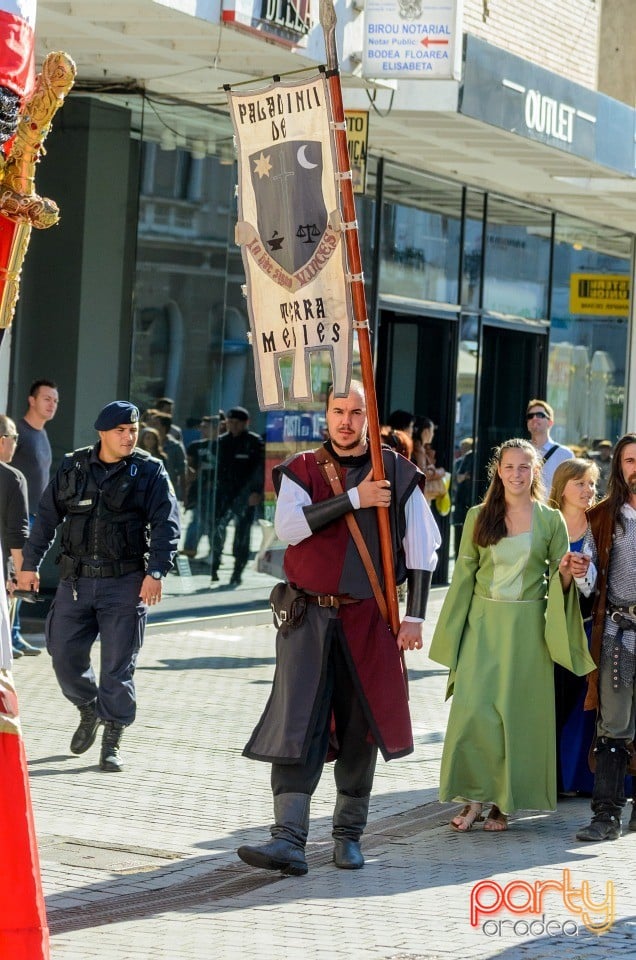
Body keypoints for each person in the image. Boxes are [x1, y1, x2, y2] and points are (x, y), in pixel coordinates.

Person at [237, 382, 441, 876]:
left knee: (359, 726)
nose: (346, 420)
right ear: (325, 416)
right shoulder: (302, 468)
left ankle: (348, 836)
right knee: (296, 724)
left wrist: (413, 618)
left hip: (367, 620)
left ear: (369, 418)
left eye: (355, 411)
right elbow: (288, 528)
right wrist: (355, 497)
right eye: (337, 411)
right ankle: (287, 839)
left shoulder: (396, 471)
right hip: (306, 619)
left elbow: (422, 550)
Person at [429, 438, 594, 833]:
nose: (517, 474)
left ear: (536, 471)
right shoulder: (477, 516)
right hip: (482, 629)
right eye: (509, 467)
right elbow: (463, 581)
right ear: (498, 471)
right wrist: (451, 640)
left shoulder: (550, 519)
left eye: (525, 467)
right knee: (474, 716)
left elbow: (559, 580)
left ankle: (503, 804)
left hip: (528, 633)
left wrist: (571, 571)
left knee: (516, 720)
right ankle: (471, 798)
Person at [17, 401, 180, 772]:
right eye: (121, 430)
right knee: (63, 656)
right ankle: (88, 708)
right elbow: (45, 518)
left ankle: (113, 738)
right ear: (102, 433)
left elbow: (167, 524)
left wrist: (156, 572)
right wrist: (29, 565)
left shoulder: (149, 471)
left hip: (125, 584)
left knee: (117, 668)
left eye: (133, 430)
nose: (128, 436)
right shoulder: (73, 466)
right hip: (75, 582)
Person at [576, 433, 636, 842]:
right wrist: (581, 572)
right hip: (617, 631)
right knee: (613, 725)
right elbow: (590, 583)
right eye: (630, 460)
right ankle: (607, 816)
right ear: (619, 467)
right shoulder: (601, 517)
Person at [548, 458, 599, 796]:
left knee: (584, 704)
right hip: (550, 628)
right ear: (562, 487)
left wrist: (583, 575)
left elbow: (604, 582)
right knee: (553, 702)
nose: (587, 490)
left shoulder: (601, 524)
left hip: (589, 624)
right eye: (580, 483)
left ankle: (578, 780)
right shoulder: (547, 523)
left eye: (591, 483)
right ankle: (550, 778)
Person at [10, 378, 59, 657]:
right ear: (32, 400)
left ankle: (14, 635)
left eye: (55, 401)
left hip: (35, 516)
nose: (52, 405)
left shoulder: (41, 434)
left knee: (23, 577)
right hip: (17, 517)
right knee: (15, 576)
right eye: (46, 399)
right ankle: (10, 636)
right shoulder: (21, 434)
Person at [211, 406, 264, 586]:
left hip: (245, 494)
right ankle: (215, 564)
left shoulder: (254, 442)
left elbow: (260, 470)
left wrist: (257, 492)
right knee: (217, 528)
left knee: (242, 533)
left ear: (245, 423)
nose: (232, 426)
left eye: (236, 423)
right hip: (224, 493)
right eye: (230, 422)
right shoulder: (221, 442)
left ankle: (237, 571)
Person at [0, 415, 31, 656]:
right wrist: (22, 578)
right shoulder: (13, 479)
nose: (16, 443)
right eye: (14, 438)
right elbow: (16, 536)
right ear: (2, 441)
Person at [182, 412, 226, 560]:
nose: (202, 430)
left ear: (217, 428)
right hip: (199, 489)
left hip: (218, 490)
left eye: (206, 427)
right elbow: (189, 469)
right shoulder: (195, 446)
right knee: (197, 519)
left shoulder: (224, 445)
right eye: (201, 427)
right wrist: (187, 490)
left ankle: (214, 552)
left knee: (215, 522)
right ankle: (189, 549)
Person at [525, 398, 573, 490]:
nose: (534, 418)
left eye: (540, 415)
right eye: (530, 416)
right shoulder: (518, 451)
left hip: (552, 504)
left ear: (550, 422)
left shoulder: (565, 454)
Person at [452, 437, 474, 559]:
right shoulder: (466, 459)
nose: (463, 450)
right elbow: (458, 478)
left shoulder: (466, 458)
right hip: (462, 502)